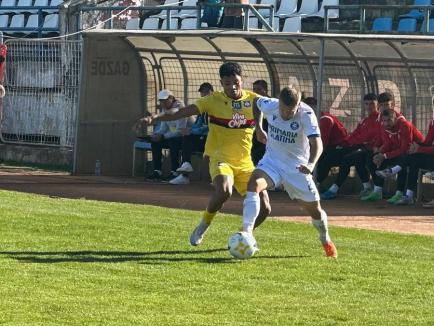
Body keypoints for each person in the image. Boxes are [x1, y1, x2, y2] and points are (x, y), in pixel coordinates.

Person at [140, 62, 271, 246]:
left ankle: (244, 235)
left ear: (243, 80)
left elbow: (278, 110)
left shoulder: (255, 99)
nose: (232, 87)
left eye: (236, 82)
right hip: (220, 158)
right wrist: (155, 117)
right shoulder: (213, 100)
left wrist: (259, 128)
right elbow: (180, 111)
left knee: (265, 208)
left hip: (245, 163)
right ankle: (203, 225)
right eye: (227, 83)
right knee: (224, 190)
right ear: (221, 83)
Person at [240, 86, 337, 258]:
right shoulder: (271, 104)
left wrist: (311, 164)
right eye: (283, 109)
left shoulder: (306, 115)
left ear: (298, 105)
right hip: (272, 162)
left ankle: (325, 238)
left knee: (316, 212)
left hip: (297, 168)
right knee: (253, 184)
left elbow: (317, 144)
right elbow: (256, 102)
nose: (286, 114)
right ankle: (247, 232)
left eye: (290, 110)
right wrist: (258, 128)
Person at [320, 93, 380, 199]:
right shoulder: (364, 121)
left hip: (369, 148)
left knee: (349, 159)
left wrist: (354, 143)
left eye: (372, 103)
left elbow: (370, 137)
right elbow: (354, 135)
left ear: (377, 105)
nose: (369, 106)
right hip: (357, 147)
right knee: (328, 155)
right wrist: (343, 144)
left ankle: (334, 189)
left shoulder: (380, 120)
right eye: (366, 104)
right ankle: (317, 183)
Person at [362, 108, 424, 202]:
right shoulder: (384, 126)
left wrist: (385, 155)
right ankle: (377, 192)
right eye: (384, 120)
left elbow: (405, 149)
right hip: (400, 152)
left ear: (395, 118)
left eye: (389, 120)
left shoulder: (405, 125)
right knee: (377, 158)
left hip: (414, 154)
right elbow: (387, 144)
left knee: (402, 160)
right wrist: (380, 154)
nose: (386, 123)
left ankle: (399, 193)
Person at [146, 89, 195, 181]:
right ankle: (157, 171)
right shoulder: (165, 110)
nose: (162, 103)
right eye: (161, 101)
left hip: (188, 140)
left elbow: (180, 131)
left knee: (173, 141)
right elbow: (163, 128)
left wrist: (163, 136)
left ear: (172, 99)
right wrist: (157, 134)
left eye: (165, 100)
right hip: (175, 138)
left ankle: (174, 172)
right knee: (156, 142)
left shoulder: (182, 110)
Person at [169, 82, 213, 185]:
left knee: (188, 138)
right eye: (202, 92)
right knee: (177, 140)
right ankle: (180, 172)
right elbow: (198, 124)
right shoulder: (203, 108)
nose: (203, 94)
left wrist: (192, 131)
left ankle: (186, 169)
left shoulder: (213, 107)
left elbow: (208, 127)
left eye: (206, 92)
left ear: (211, 92)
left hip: (212, 140)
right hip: (202, 139)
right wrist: (188, 130)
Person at [305, 97, 350, 193]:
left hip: (342, 147)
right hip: (331, 147)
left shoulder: (325, 119)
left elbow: (322, 143)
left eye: (311, 108)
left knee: (323, 158)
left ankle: (315, 184)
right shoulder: (310, 120)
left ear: (316, 107)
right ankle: (309, 183)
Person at [251, 79, 269, 165]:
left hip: (266, 138)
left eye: (258, 89)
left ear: (265, 90)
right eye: (254, 89)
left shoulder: (271, 103)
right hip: (254, 138)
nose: (255, 92)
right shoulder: (252, 103)